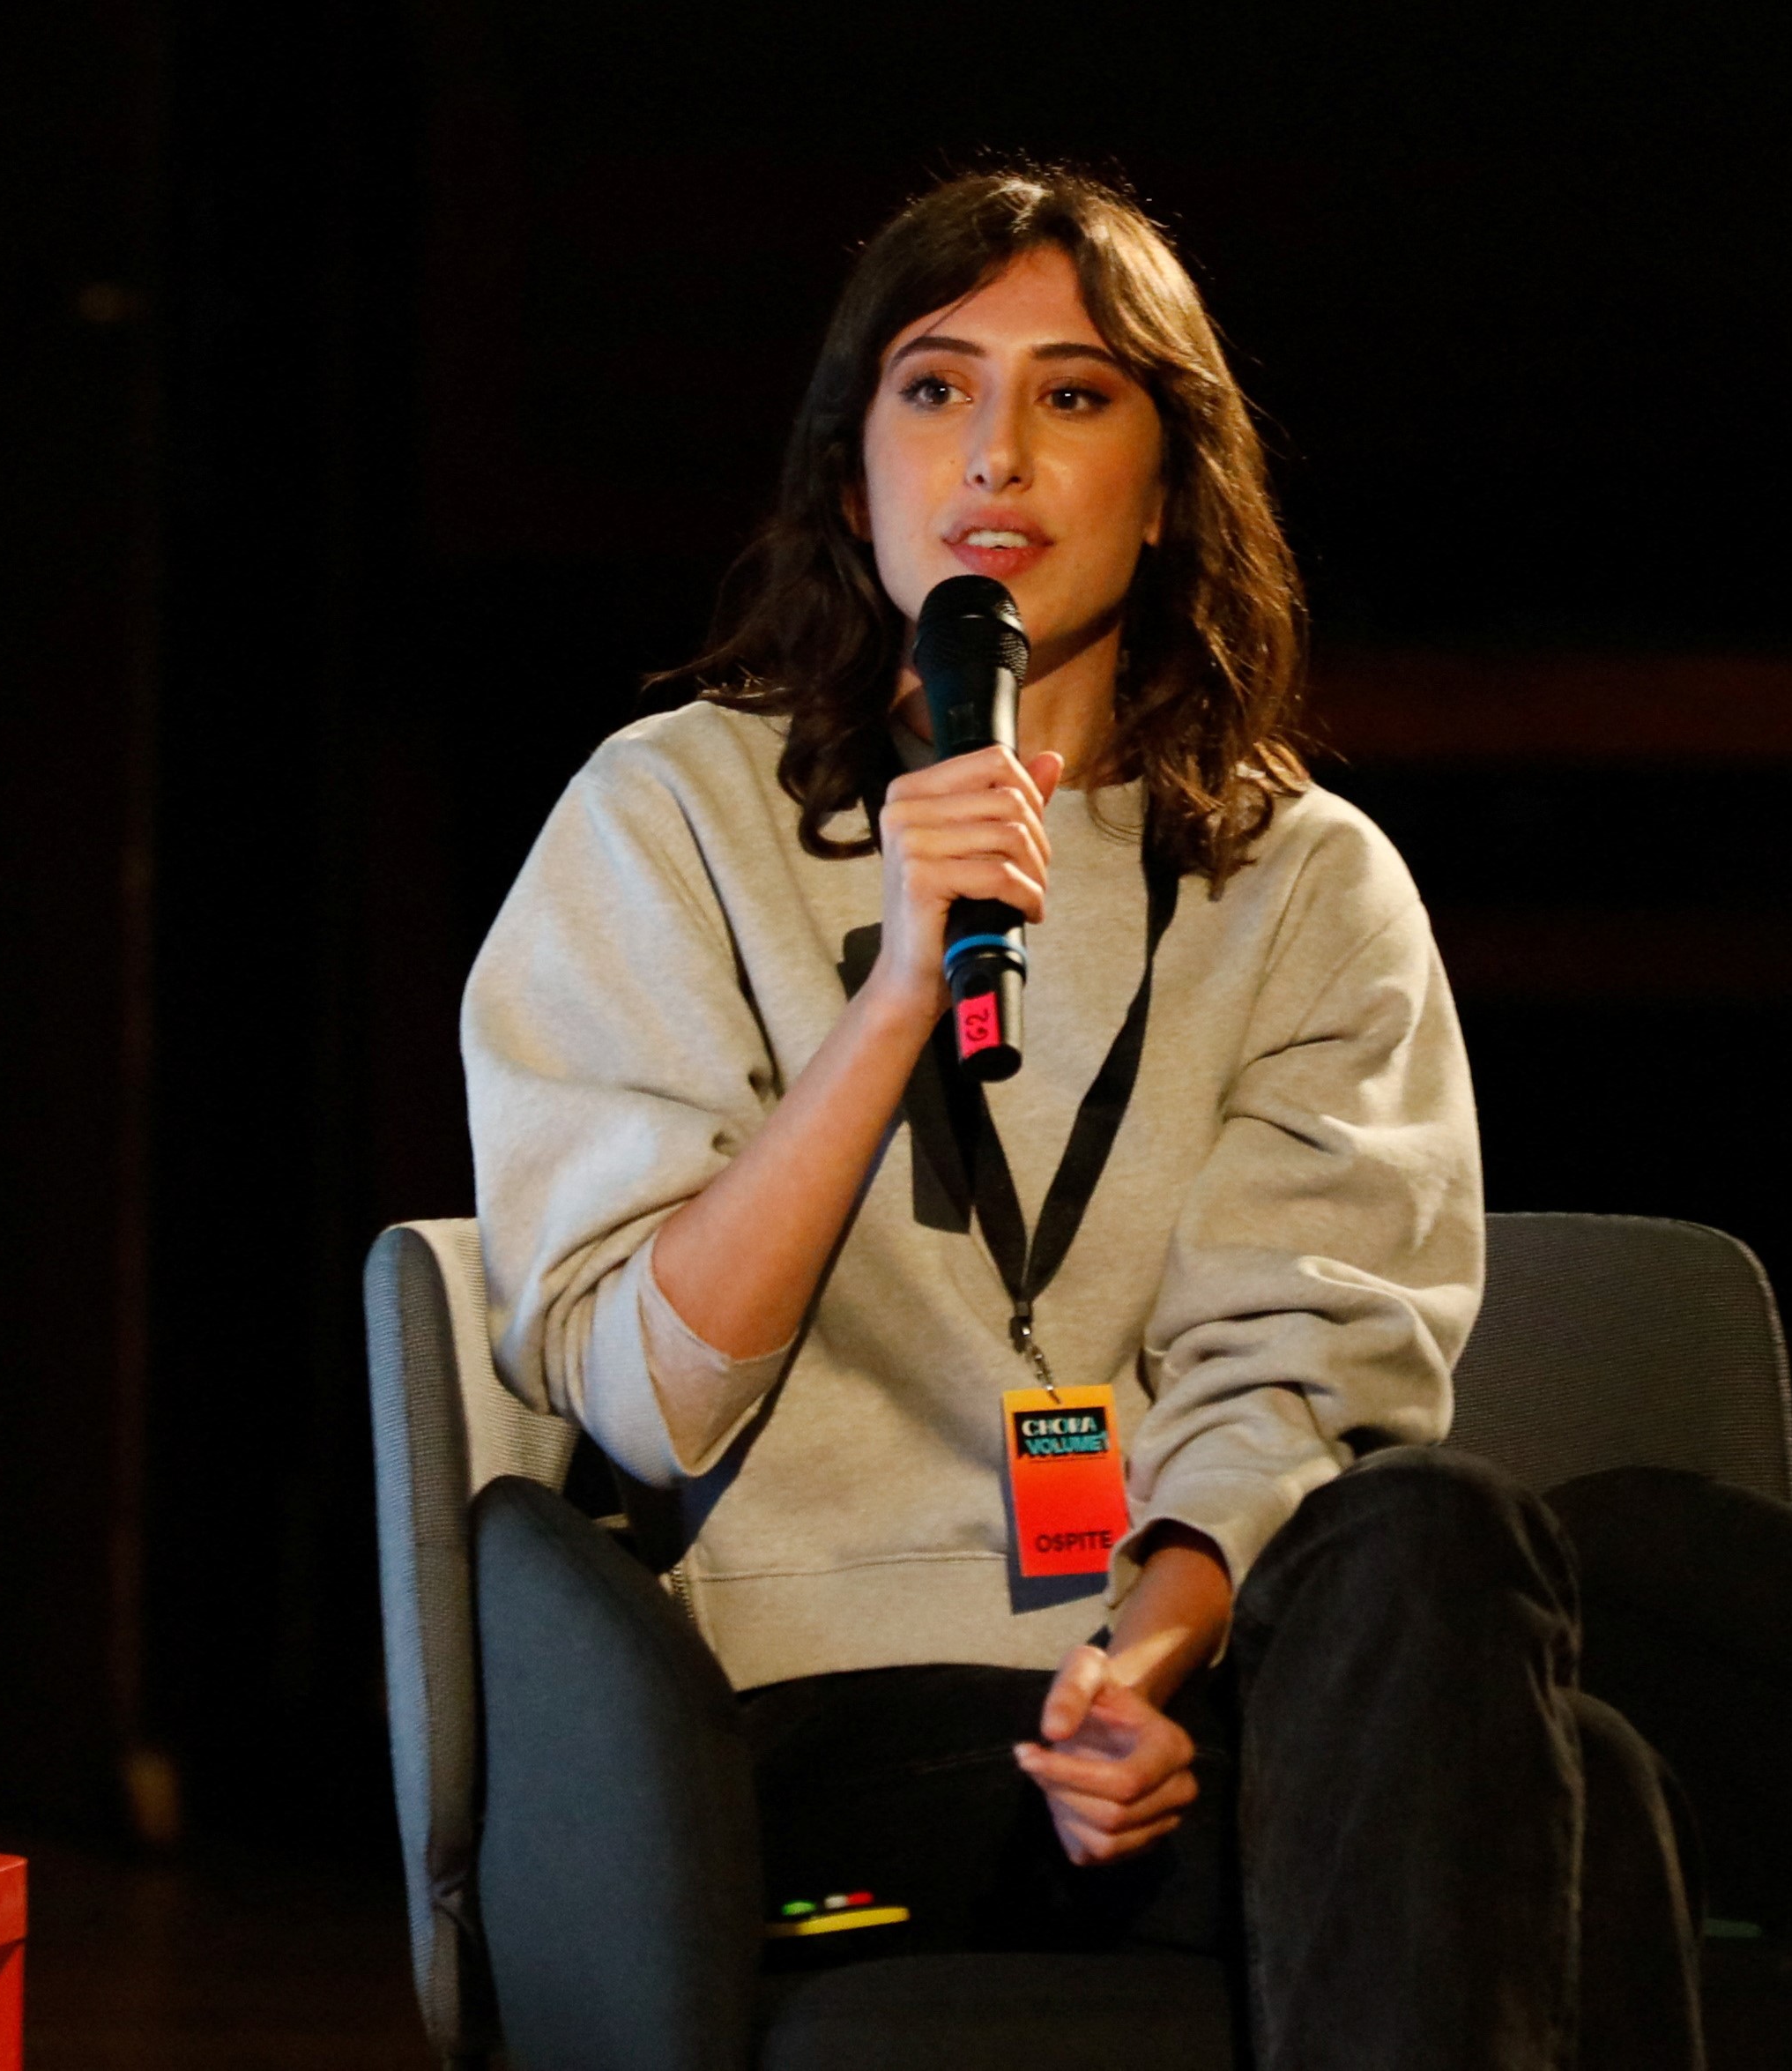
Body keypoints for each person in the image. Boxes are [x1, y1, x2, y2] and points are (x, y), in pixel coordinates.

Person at [460, 168, 1700, 2067]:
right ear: (850, 460)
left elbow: (1301, 1364)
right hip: (831, 1736)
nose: (999, 456)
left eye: (1078, 394)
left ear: (1171, 473)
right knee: (1569, 1818)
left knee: (1442, 1550)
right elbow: (650, 1390)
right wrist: (894, 994)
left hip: (1193, 1698)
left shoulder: (1305, 884)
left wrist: (1146, 1650)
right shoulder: (669, 819)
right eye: (937, 388)